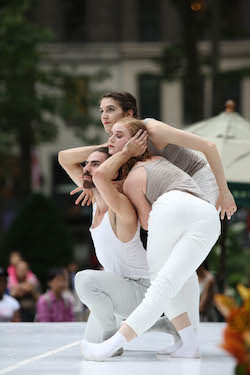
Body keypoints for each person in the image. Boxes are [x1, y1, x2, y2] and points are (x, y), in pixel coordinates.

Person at [80, 117, 221, 361]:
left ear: (139, 142)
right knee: (176, 282)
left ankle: (112, 344)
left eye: (119, 135)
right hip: (207, 218)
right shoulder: (161, 160)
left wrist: (125, 155)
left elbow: (146, 221)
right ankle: (189, 345)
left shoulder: (135, 177)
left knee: (161, 285)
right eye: (111, 135)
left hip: (170, 208)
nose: (111, 139)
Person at [59, 147, 180, 353]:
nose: (86, 169)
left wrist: (121, 154)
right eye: (86, 164)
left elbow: (105, 180)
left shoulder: (120, 205)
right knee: (88, 342)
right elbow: (64, 158)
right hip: (120, 290)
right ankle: (163, 324)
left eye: (95, 164)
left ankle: (112, 339)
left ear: (114, 172)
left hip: (143, 290)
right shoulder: (96, 200)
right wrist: (114, 146)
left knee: (84, 280)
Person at [70, 91, 236, 221]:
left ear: (129, 114)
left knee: (192, 230)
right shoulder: (118, 145)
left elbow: (209, 146)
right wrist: (90, 184)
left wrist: (225, 192)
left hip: (198, 178)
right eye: (102, 111)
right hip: (171, 189)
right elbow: (65, 157)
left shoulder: (153, 130)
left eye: (110, 110)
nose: (104, 116)